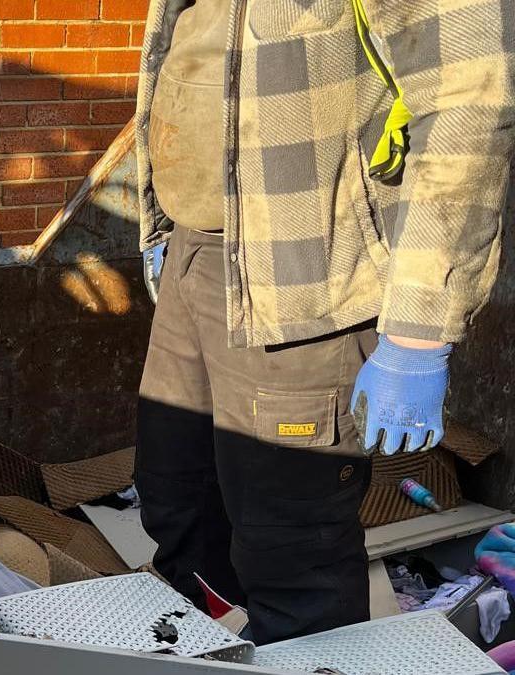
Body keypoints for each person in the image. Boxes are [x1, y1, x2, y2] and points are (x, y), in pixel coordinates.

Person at [133, 0, 511, 645]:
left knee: (291, 550)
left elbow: (467, 102)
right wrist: (160, 223)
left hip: (305, 280)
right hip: (192, 259)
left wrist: (419, 331)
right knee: (179, 504)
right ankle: (209, 651)